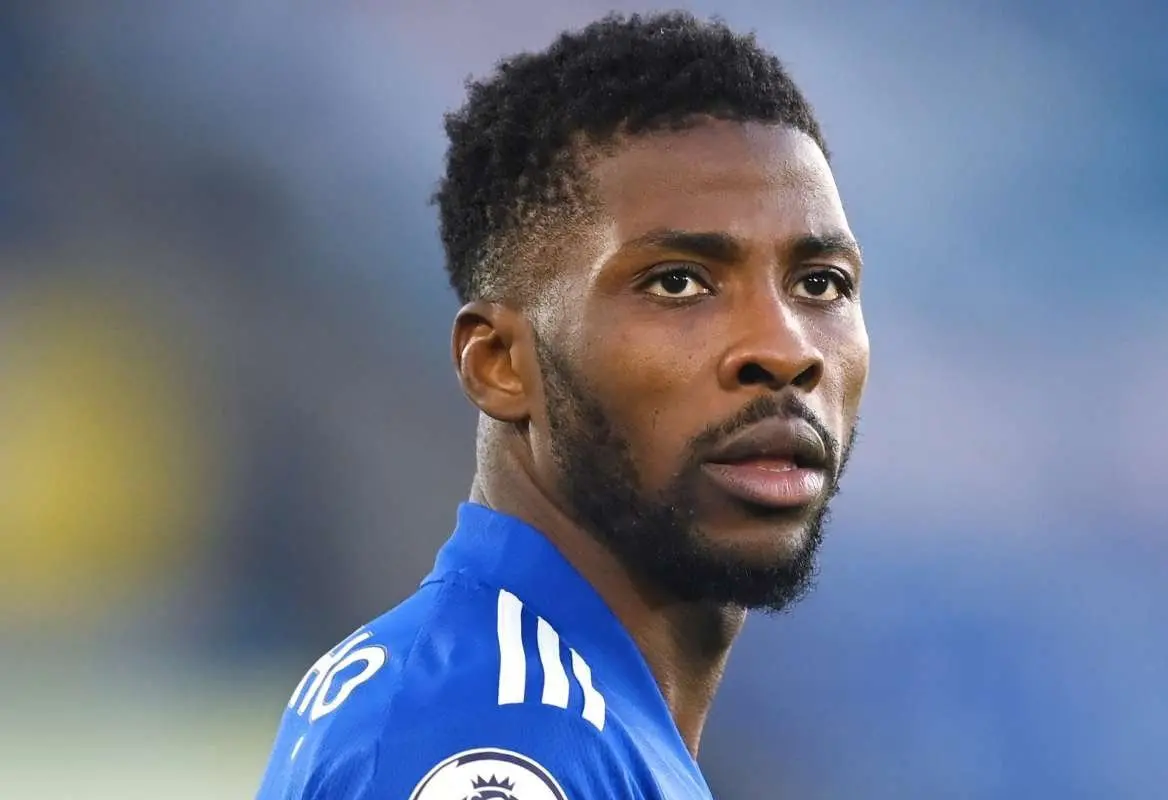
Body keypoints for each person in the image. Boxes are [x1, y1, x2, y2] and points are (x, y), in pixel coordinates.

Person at [256, 10, 868, 799]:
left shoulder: (559, 715)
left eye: (821, 284)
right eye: (678, 282)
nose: (785, 351)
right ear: (500, 364)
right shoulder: (493, 741)